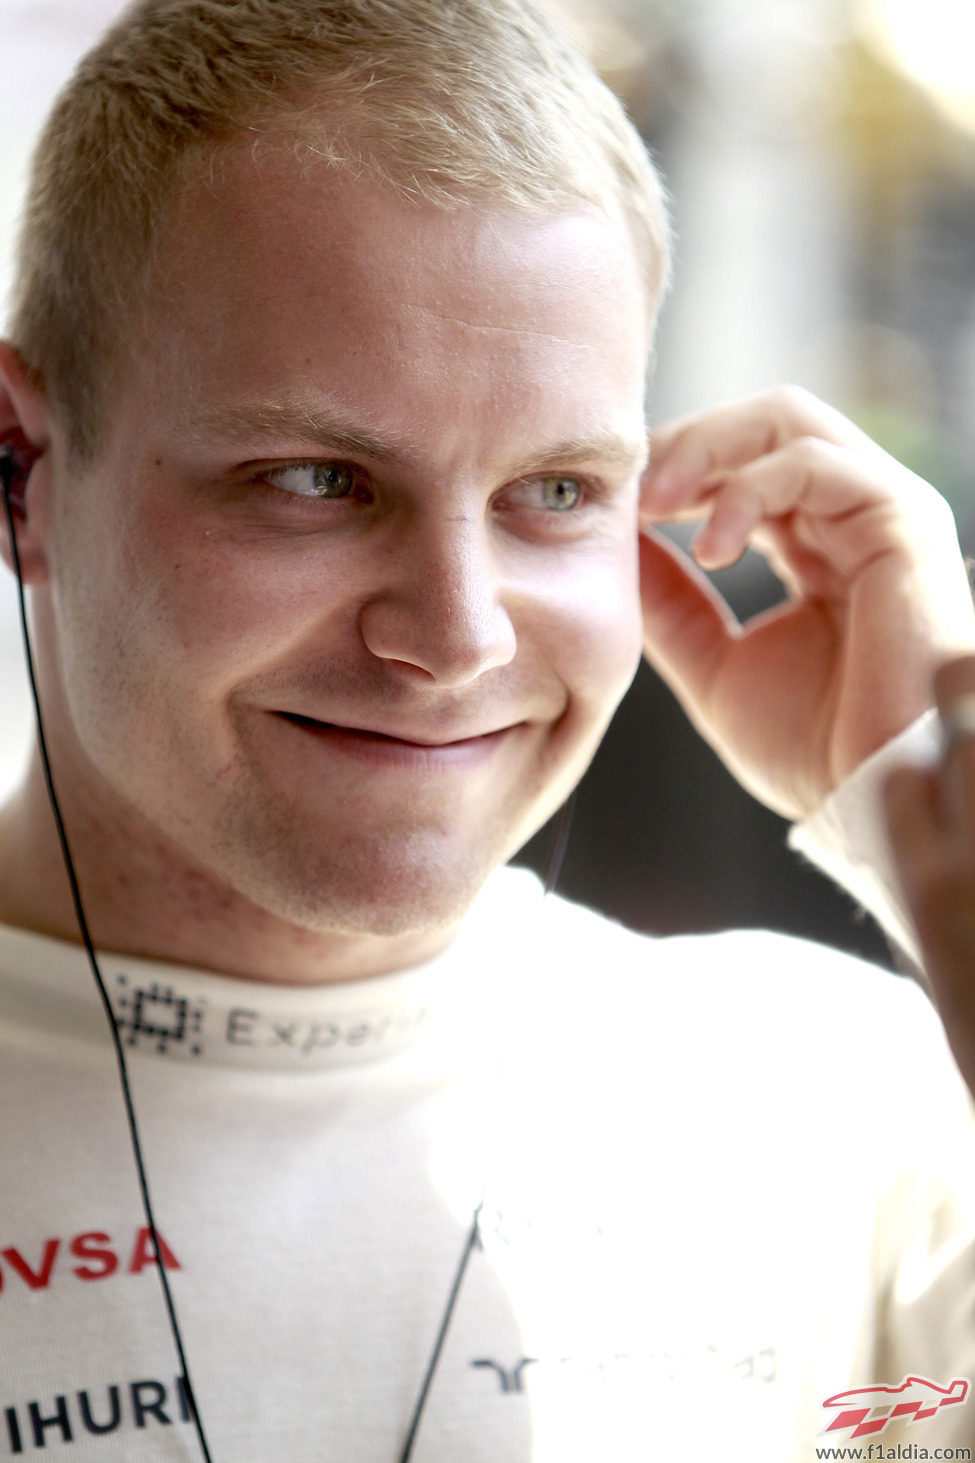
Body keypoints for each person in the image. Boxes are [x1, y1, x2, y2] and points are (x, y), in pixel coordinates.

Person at [0, 1, 973, 1460]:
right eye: (317, 480)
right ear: (22, 470)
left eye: (558, 490)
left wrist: (931, 836)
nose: (458, 636)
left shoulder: (851, 1097)